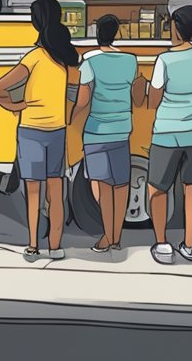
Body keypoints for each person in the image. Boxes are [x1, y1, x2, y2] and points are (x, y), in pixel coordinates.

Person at [0, 0, 79, 262]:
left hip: (31, 130)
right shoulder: (69, 58)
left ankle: (32, 246)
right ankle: (55, 245)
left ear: (37, 22)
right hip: (57, 130)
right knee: (56, 191)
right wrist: (66, 116)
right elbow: (74, 95)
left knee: (33, 193)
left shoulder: (34, 58)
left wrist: (16, 104)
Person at [147, 5, 192, 265]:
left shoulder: (164, 60)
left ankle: (162, 243)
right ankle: (189, 245)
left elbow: (153, 101)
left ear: (175, 28)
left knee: (157, 189)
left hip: (166, 132)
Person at [71, 15, 140, 253]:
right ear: (116, 34)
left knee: (101, 185)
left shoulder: (89, 60)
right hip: (122, 129)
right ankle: (116, 237)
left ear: (96, 33)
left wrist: (70, 114)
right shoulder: (130, 60)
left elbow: (83, 99)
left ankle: (106, 236)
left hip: (96, 132)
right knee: (120, 185)